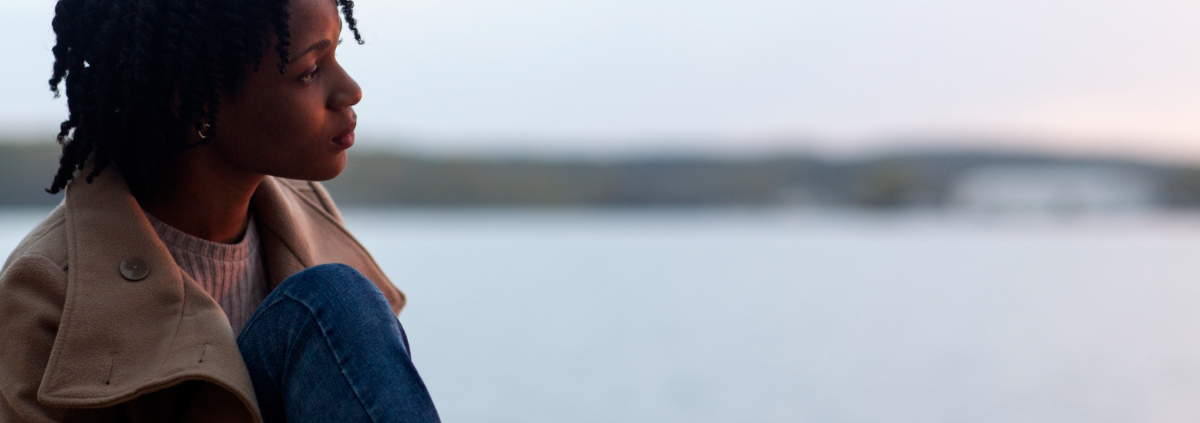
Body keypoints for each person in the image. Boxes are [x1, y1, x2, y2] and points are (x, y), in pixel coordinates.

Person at [0, 0, 440, 421]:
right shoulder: (46, 288)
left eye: (337, 54)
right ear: (196, 101)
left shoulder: (304, 212)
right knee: (330, 298)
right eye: (310, 71)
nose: (350, 90)